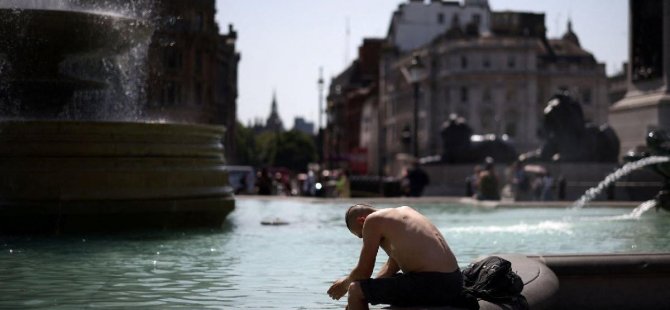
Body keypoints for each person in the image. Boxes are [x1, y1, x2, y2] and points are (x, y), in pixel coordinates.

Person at [327, 204, 468, 309]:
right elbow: (392, 266)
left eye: (361, 235)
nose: (362, 237)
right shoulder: (405, 212)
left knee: (355, 289)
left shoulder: (372, 220)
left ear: (361, 220)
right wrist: (367, 294)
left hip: (432, 283)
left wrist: (345, 285)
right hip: (454, 281)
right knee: (362, 290)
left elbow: (363, 272)